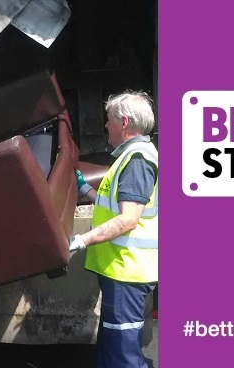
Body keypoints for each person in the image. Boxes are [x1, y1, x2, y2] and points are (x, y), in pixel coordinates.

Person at [70, 91, 158, 368]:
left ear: (124, 122)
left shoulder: (137, 161)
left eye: (108, 120)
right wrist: (86, 190)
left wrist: (81, 240)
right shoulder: (129, 157)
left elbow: (128, 218)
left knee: (123, 357)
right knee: (111, 352)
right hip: (119, 271)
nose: (105, 125)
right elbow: (117, 205)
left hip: (127, 272)